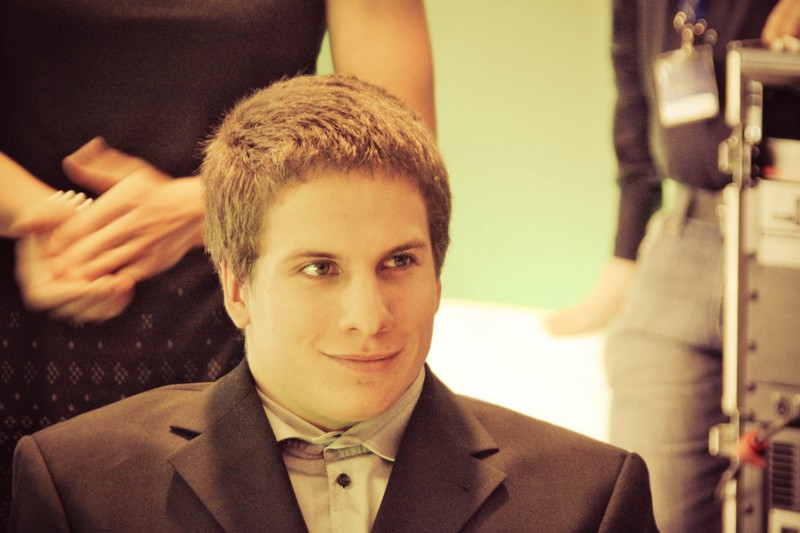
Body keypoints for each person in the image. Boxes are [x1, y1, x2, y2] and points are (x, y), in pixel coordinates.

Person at [9, 74, 659, 532]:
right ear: (237, 288)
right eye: (319, 269)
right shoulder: (79, 486)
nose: (369, 318)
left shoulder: (589, 499)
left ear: (439, 273)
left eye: (399, 262)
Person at [0, 0, 435, 525]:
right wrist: (41, 217)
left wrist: (208, 205)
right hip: (30, 292)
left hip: (249, 287)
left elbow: (396, 136)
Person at [544, 0, 800, 531]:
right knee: (645, 505)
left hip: (787, 235)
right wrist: (627, 248)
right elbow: (633, 80)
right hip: (684, 236)